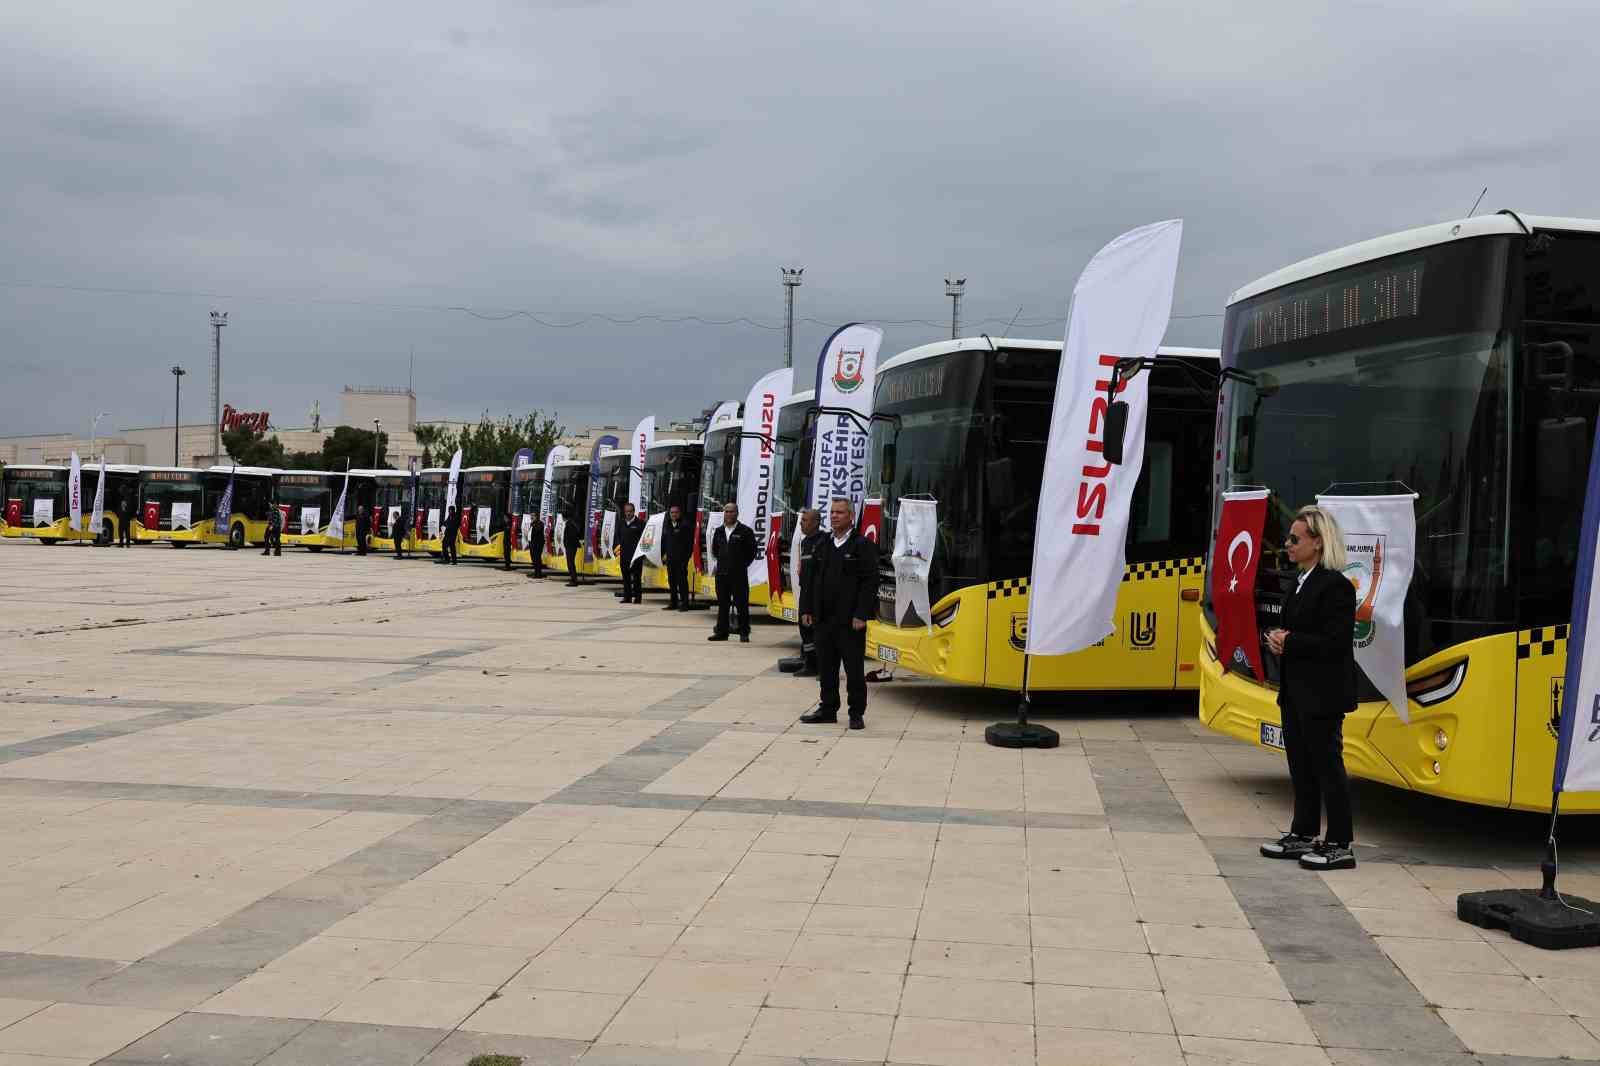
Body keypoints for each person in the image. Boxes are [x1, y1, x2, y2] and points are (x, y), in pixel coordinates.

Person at [1260, 505, 1359, 871]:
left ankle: (1339, 842)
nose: (1287, 544)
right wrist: (1276, 638)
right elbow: (1295, 632)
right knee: (1300, 765)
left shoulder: (1335, 586)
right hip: (1296, 690)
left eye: (1294, 538)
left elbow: (1335, 642)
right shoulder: (1299, 582)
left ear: (1317, 543)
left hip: (1323, 693)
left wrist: (1293, 641)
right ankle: (1302, 832)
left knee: (1327, 766)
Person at [799, 497, 880, 730]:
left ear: (851, 516)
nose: (834, 516)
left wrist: (861, 614)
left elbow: (870, 582)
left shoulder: (861, 545)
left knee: (854, 670)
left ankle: (856, 713)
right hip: (823, 619)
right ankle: (828, 708)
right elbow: (810, 579)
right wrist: (806, 609)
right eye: (832, 512)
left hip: (849, 621)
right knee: (827, 668)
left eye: (840, 512)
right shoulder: (822, 544)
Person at [708, 501, 758, 643]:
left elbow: (752, 551)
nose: (729, 514)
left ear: (737, 513)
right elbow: (715, 550)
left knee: (741, 604)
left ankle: (744, 632)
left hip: (738, 575)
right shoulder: (718, 531)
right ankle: (722, 632)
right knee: (723, 605)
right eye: (727, 511)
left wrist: (741, 565)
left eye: (732, 511)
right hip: (722, 575)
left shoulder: (745, 531)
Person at [661, 503, 694, 611]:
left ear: (680, 513)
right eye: (672, 512)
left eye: (676, 512)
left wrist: (686, 558)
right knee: (672, 581)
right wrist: (662, 555)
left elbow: (689, 544)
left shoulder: (685, 525)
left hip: (681, 559)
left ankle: (684, 604)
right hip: (670, 559)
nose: (674, 514)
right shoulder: (667, 525)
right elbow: (664, 542)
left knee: (682, 582)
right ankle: (673, 603)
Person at [617, 502, 646, 604]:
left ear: (634, 512)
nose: (628, 513)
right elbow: (618, 537)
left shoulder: (640, 523)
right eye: (626, 511)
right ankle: (627, 597)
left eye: (630, 511)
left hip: (636, 556)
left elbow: (644, 539)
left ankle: (637, 598)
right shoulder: (621, 523)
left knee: (637, 578)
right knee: (626, 578)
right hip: (624, 555)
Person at [563, 504, 584, 586]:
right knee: (570, 563)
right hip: (571, 546)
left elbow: (572, 536)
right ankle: (573, 578)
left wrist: (567, 544)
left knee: (570, 563)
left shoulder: (570, 525)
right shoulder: (571, 523)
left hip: (571, 547)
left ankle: (574, 580)